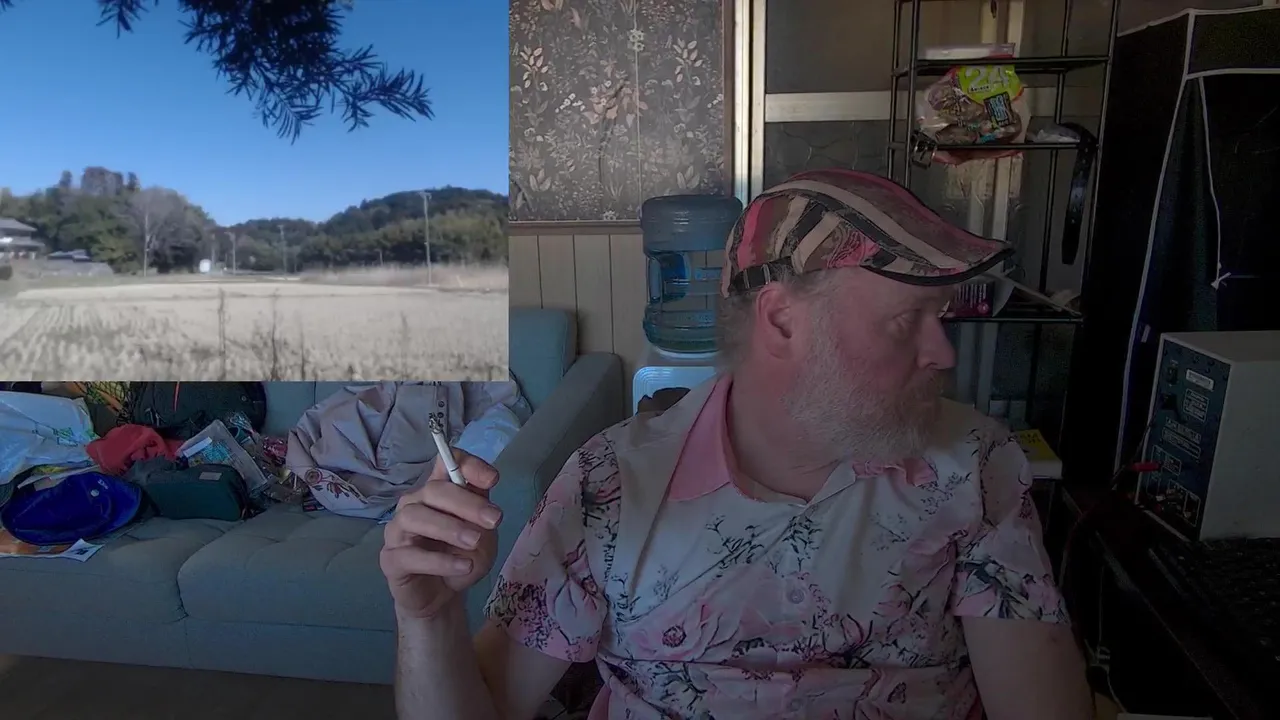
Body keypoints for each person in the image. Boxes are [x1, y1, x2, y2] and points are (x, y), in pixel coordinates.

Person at [382, 169, 1093, 720]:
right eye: (907, 320)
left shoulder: (972, 464)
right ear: (782, 321)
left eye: (941, 317)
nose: (942, 353)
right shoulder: (609, 484)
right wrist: (428, 617)